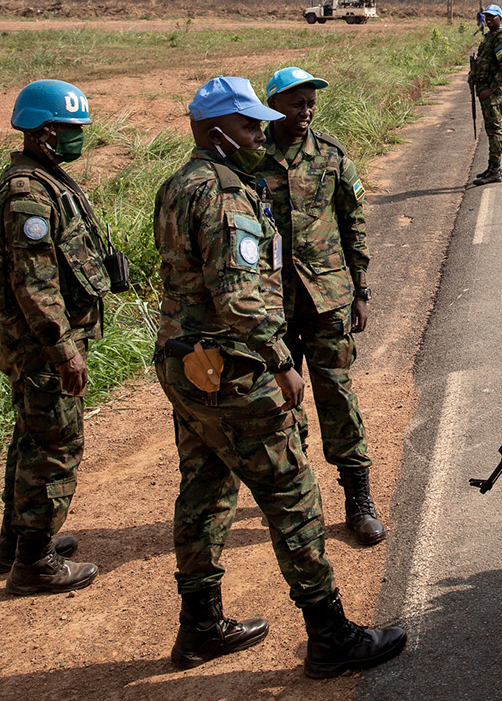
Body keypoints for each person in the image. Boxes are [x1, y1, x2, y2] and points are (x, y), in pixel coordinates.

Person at [153, 75, 405, 677]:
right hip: (235, 368)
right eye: (247, 125)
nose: (259, 134)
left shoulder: (177, 184)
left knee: (205, 488)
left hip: (186, 362)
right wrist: (281, 362)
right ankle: (329, 634)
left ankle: (200, 626)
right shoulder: (223, 193)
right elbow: (237, 297)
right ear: (215, 129)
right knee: (292, 495)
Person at [0, 80, 105, 596]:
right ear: (44, 131)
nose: (79, 139)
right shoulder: (28, 195)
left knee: (31, 438)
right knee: (54, 444)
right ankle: (33, 562)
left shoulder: (44, 182)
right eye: (71, 130)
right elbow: (35, 285)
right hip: (43, 348)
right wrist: (64, 351)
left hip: (35, 346)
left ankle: (18, 541)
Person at [256, 67, 385, 546]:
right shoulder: (250, 160)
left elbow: (354, 223)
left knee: (338, 395)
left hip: (328, 298)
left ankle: (358, 499)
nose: (305, 112)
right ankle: (298, 497)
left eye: (310, 104)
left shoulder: (331, 156)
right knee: (281, 401)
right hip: (271, 304)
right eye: (296, 104)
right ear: (273, 106)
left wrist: (363, 289)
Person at [469, 3, 502, 186]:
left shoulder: (500, 38)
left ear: (500, 18)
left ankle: (495, 170)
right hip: (485, 91)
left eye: (492, 16)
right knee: (490, 131)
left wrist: (490, 89)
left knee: (494, 130)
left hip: (493, 93)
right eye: (486, 17)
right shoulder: (490, 36)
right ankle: (491, 168)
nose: (488, 19)